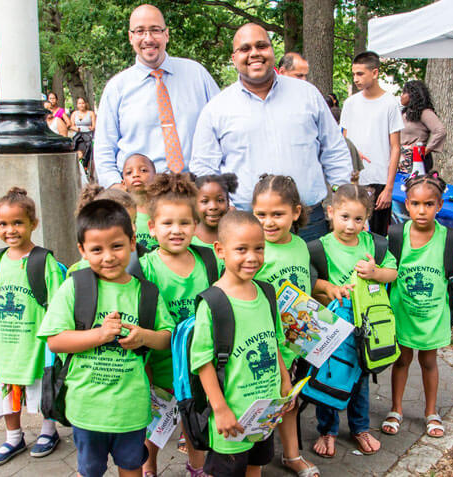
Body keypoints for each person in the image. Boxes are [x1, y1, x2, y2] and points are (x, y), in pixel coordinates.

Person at [38, 199, 174, 477]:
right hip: (87, 408)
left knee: (131, 465)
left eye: (117, 246)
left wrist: (143, 337)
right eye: (97, 249)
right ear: (82, 251)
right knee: (89, 470)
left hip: (131, 409)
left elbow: (165, 338)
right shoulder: (75, 287)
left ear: (132, 242)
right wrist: (99, 335)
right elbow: (55, 340)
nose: (108, 257)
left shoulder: (146, 293)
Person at [191, 23, 353, 241]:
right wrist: (222, 206)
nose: (254, 53)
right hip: (247, 223)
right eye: (245, 49)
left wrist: (343, 199)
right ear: (234, 57)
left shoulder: (307, 95)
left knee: (314, 276)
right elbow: (204, 168)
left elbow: (334, 150)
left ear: (272, 51)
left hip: (308, 222)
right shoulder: (217, 108)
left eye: (261, 46)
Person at [252, 174, 354, 477]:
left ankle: (291, 456)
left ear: (296, 212)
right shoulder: (256, 250)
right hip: (265, 343)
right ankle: (250, 459)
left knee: (290, 399)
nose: (269, 222)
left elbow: (305, 286)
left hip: (296, 341)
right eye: (261, 214)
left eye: (277, 214)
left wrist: (328, 293)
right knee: (263, 401)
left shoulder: (300, 245)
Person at [190, 210, 293, 477]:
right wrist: (220, 409)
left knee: (255, 466)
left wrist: (285, 381)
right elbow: (202, 362)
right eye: (241, 249)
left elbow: (275, 343)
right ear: (220, 250)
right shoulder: (213, 303)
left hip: (263, 411)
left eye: (259, 248)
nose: (252, 257)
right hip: (231, 416)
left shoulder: (267, 293)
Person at [139, 173, 220, 477]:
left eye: (185, 223)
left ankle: (196, 469)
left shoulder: (208, 261)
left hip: (200, 364)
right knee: (155, 424)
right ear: (152, 227)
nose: (176, 230)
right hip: (157, 365)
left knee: (196, 420)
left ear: (195, 224)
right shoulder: (145, 267)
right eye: (167, 223)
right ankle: (149, 469)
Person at [0, 187, 64, 466]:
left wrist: (55, 339)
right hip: (5, 345)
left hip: (36, 345)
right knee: (6, 392)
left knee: (42, 388)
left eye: (18, 223)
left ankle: (49, 432)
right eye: (3, 223)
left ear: (32, 224)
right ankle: (13, 436)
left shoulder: (43, 261)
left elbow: (57, 304)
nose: (10, 230)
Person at [310, 184, 397, 459]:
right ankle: (328, 430)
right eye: (344, 217)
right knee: (330, 379)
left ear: (367, 218)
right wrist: (330, 288)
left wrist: (375, 272)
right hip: (332, 328)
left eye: (358, 219)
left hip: (365, 328)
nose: (351, 225)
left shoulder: (373, 243)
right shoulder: (318, 247)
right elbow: (310, 283)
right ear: (330, 212)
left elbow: (393, 273)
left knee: (359, 380)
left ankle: (359, 427)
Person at [94, 4, 219, 188]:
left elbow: (222, 129)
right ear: (131, 37)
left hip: (195, 189)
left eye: (155, 30)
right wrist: (116, 187)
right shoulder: (117, 88)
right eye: (140, 31)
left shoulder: (197, 74)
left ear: (166, 34)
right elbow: (104, 148)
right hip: (142, 193)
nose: (148, 38)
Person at [381, 172, 453, 440]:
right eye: (416, 204)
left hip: (433, 314)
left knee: (429, 361)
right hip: (402, 311)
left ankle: (431, 412)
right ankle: (396, 409)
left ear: (439, 205)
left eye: (429, 204)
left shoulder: (449, 238)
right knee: (402, 359)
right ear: (406, 204)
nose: (422, 210)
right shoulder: (396, 235)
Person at [340, 51, 403, 236]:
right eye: (354, 74)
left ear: (374, 73)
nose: (356, 79)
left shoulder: (390, 104)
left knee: (376, 237)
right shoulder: (350, 103)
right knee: (349, 233)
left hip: (378, 182)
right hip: (352, 180)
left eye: (360, 74)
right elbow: (343, 141)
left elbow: (395, 147)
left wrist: (389, 188)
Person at [66, 184, 138, 276]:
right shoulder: (80, 273)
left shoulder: (142, 258)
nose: (133, 228)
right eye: (97, 250)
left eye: (134, 221)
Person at [399, 80, 446, 173]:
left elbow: (440, 131)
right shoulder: (404, 112)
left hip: (416, 160)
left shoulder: (424, 113)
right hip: (401, 159)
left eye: (404, 92)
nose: (401, 96)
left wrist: (424, 151)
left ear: (412, 95)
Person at [193, 173, 238, 256]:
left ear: (228, 203)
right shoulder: (188, 239)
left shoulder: (236, 235)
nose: (213, 207)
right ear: (194, 204)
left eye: (220, 200)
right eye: (205, 201)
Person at [121, 153, 158, 251]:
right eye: (129, 172)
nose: (136, 174)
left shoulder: (162, 210)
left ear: (155, 177)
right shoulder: (122, 214)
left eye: (143, 170)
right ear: (123, 183)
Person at [70, 97, 96, 174]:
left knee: (89, 150)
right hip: (78, 136)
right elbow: (71, 126)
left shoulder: (90, 113)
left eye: (83, 103)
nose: (81, 105)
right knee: (76, 150)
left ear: (85, 104)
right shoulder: (74, 114)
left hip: (88, 135)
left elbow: (94, 125)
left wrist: (92, 128)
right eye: (79, 103)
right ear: (77, 105)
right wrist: (76, 129)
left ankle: (87, 168)